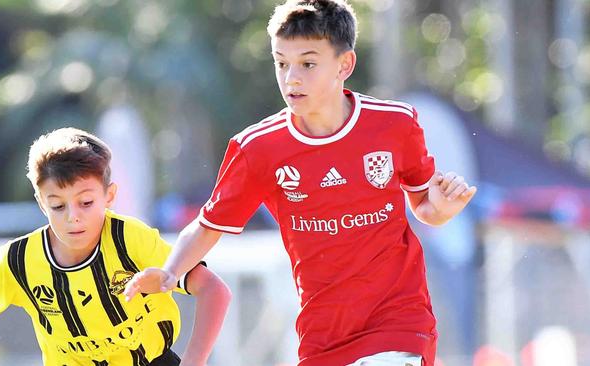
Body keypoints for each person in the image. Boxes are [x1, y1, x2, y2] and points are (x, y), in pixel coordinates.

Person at [124, 1, 477, 365]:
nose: (291, 78)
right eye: (281, 63)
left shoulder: (395, 124)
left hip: (399, 324)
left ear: (345, 65)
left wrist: (442, 210)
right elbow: (208, 226)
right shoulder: (258, 148)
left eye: (308, 63)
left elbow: (424, 206)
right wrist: (169, 273)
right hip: (321, 337)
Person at [0, 127, 231, 366]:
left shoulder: (130, 239)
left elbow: (214, 290)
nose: (72, 216)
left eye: (86, 202)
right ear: (42, 203)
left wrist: (195, 361)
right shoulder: (19, 260)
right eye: (57, 205)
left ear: (109, 195)